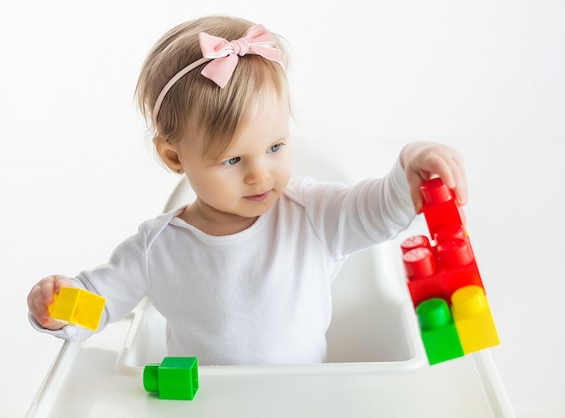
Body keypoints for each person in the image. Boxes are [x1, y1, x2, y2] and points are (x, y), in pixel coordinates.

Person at [26, 15, 467, 366]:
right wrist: (58, 307)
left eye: (275, 147)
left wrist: (409, 171)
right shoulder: (157, 248)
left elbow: (375, 211)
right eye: (233, 160)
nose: (260, 175)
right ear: (175, 158)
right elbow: (100, 307)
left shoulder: (310, 214)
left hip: (303, 403)